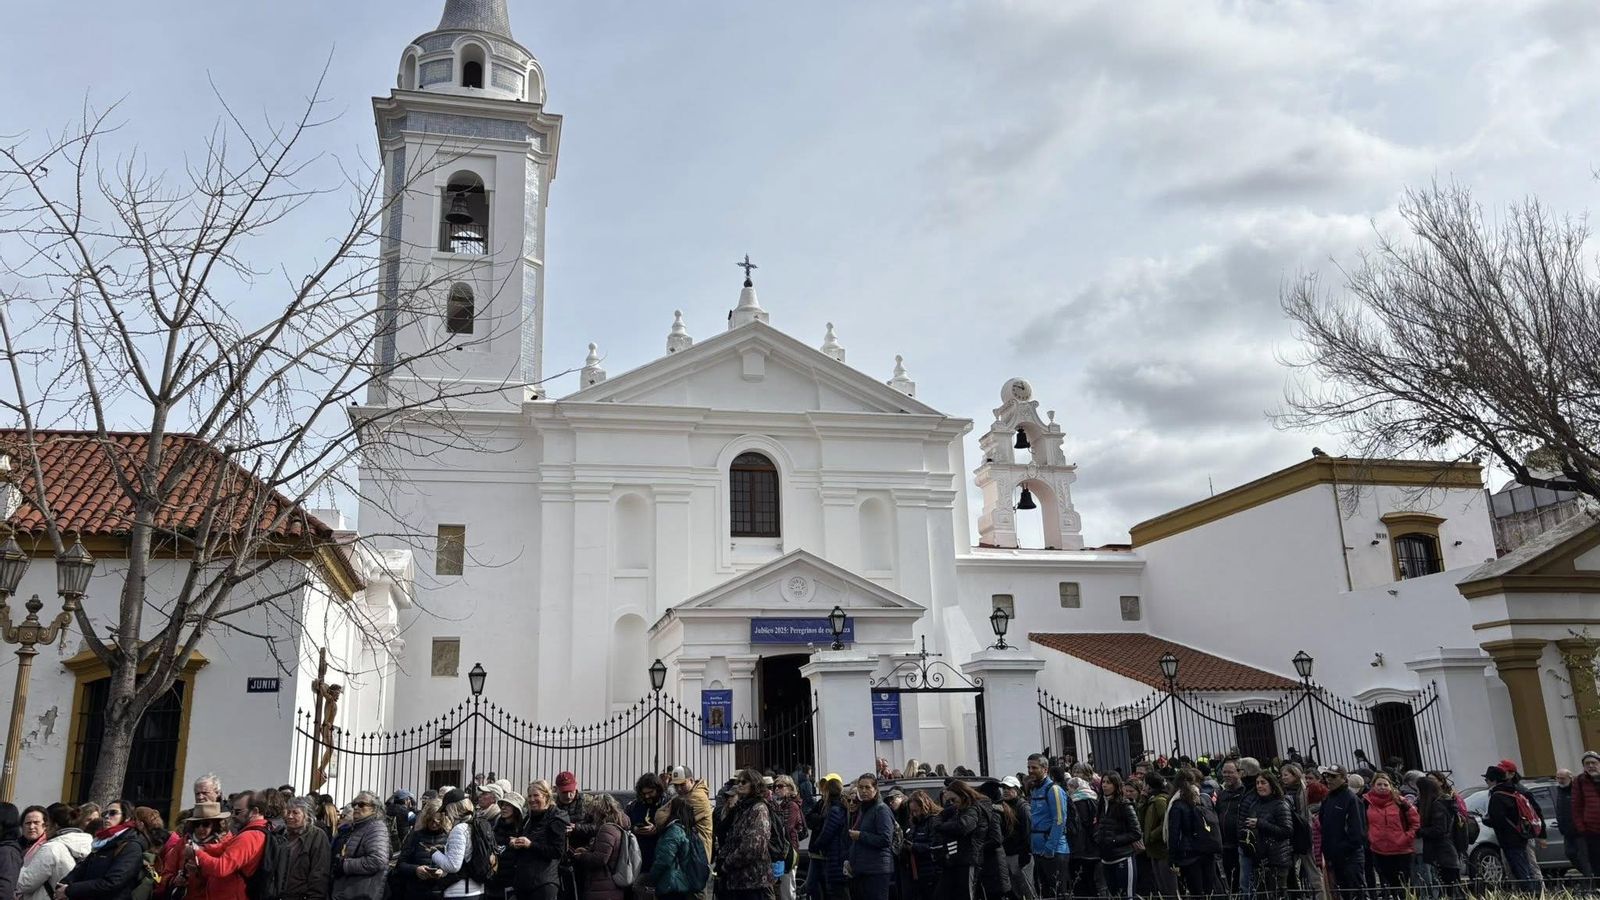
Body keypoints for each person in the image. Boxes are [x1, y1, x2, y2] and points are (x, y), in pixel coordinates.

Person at [57, 799, 148, 900]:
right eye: (105, 814)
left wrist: (70, 890)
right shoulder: (102, 842)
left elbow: (113, 882)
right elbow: (81, 869)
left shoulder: (132, 846)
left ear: (127, 818)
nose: (107, 817)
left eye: (113, 813)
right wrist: (63, 884)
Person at [189, 789, 271, 900]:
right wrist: (204, 848)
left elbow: (221, 868)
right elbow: (225, 846)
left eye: (238, 812)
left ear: (255, 811)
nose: (233, 816)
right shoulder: (253, 832)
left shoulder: (249, 837)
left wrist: (197, 852)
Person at [713, 769, 772, 900]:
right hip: (737, 883)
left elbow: (753, 847)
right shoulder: (741, 808)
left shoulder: (758, 808)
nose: (739, 784)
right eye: (738, 781)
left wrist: (726, 864)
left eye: (744, 782)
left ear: (754, 785)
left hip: (753, 883)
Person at [507, 781, 570, 900]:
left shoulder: (557, 818)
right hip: (523, 883)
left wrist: (530, 845)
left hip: (543, 884)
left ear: (546, 796)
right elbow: (523, 840)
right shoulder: (528, 818)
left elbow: (557, 852)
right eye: (530, 796)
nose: (532, 799)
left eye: (536, 795)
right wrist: (515, 843)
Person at [20, 805, 92, 900]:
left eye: (46, 825)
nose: (45, 829)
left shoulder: (52, 848)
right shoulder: (90, 844)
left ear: (55, 825)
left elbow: (25, 883)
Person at [1483, 765, 1537, 892]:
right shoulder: (1513, 791)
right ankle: (1531, 891)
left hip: (1508, 838)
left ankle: (1529, 893)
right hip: (1520, 834)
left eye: (1487, 780)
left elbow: (1497, 819)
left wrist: (1486, 820)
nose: (1486, 783)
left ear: (1493, 780)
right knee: (1525, 867)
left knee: (1519, 869)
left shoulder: (1497, 795)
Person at [1363, 772, 1416, 898]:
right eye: (1379, 784)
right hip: (1379, 850)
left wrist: (1407, 836)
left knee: (1405, 886)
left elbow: (1415, 820)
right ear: (1373, 786)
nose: (1382, 787)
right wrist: (1370, 837)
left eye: (1385, 784)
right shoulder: (1366, 802)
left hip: (1402, 850)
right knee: (1390, 885)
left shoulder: (1401, 802)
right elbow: (1364, 823)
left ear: (1390, 786)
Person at [1166, 770, 1218, 899]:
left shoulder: (1177, 804)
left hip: (1188, 854)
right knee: (1208, 891)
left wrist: (1173, 859)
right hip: (1207, 850)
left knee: (1195, 892)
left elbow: (1174, 834)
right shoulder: (1203, 799)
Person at [1317, 768, 1366, 899]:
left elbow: (1357, 832)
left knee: (1355, 894)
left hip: (1350, 858)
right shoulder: (1328, 798)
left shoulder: (1351, 799)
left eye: (1333, 777)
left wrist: (1342, 849)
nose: (1329, 779)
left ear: (1344, 778)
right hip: (1334, 858)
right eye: (1327, 776)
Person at [331, 791, 391, 900]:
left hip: (362, 893)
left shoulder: (376, 828)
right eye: (354, 804)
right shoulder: (357, 826)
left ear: (374, 808)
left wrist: (345, 865)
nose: (356, 807)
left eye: (362, 804)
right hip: (347, 890)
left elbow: (377, 860)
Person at [1025, 753, 1069, 898]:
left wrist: (1050, 847)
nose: (1030, 771)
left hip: (1053, 851)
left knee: (1057, 894)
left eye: (1034, 767)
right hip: (1039, 850)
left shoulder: (1053, 789)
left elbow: (1059, 820)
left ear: (1045, 769)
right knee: (1043, 893)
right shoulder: (1035, 789)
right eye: (1029, 767)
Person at [1094, 774, 1142, 900]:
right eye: (1103, 782)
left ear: (1116, 785)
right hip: (1106, 858)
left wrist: (1114, 840)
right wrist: (1098, 837)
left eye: (1108, 782)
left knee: (1127, 896)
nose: (1104, 785)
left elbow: (1136, 832)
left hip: (1123, 857)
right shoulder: (1101, 803)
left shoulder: (1124, 805)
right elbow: (1099, 824)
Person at [933, 780, 984, 900]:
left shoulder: (973, 809)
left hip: (967, 860)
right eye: (949, 801)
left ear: (963, 795)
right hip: (955, 859)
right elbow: (939, 818)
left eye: (953, 800)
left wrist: (940, 826)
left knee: (966, 895)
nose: (951, 803)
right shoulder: (958, 809)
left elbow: (963, 827)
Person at [1247, 773, 1294, 898]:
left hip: (1277, 858)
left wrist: (1261, 823)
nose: (1259, 786)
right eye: (1257, 783)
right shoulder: (1255, 805)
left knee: (1277, 894)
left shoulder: (1280, 805)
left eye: (1263, 783)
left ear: (1272, 785)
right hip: (1259, 858)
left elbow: (1287, 831)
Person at [1414, 774, 1461, 898]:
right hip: (1443, 852)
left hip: (1443, 853)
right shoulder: (1439, 803)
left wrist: (1420, 831)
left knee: (1449, 889)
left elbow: (1439, 830)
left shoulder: (1437, 805)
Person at [393, 801, 452, 900]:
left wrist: (443, 872)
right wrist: (416, 869)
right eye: (431, 821)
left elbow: (457, 866)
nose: (434, 825)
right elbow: (400, 864)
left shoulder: (450, 837)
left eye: (438, 822)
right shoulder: (415, 836)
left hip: (441, 891)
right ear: (426, 818)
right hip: (416, 891)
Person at [574, 794, 628, 900]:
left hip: (602, 886)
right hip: (612, 886)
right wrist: (588, 851)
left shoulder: (607, 829)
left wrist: (582, 856)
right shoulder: (618, 827)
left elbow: (600, 859)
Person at [647, 797, 702, 900]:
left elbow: (664, 859)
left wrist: (652, 878)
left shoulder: (673, 831)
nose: (664, 809)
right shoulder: (686, 829)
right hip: (681, 884)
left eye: (668, 807)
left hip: (671, 885)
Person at [808, 776, 850, 900]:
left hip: (834, 855)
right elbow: (808, 818)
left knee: (835, 891)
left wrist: (818, 844)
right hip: (833, 854)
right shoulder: (832, 806)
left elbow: (827, 833)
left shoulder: (835, 809)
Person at [281, 797, 331, 900]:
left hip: (301, 896)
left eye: (295, 813)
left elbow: (320, 872)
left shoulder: (317, 836)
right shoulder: (280, 834)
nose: (290, 816)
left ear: (307, 816)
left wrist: (315, 897)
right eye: (288, 812)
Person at [1139, 772, 1178, 899]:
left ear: (1150, 786)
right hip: (1153, 851)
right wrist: (1143, 801)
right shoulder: (1150, 800)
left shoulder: (1160, 801)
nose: (1142, 786)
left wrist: (1151, 836)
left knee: (1168, 887)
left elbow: (1166, 823)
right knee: (1161, 887)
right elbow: (1141, 820)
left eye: (1144, 783)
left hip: (1161, 850)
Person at [1215, 760, 1248, 897]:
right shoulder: (1221, 794)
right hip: (1225, 845)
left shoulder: (1245, 792)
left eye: (1230, 772)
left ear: (1239, 773)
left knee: (1243, 880)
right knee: (1230, 880)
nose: (1227, 775)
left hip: (1240, 844)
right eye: (1224, 772)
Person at [999, 776, 1035, 900]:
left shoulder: (1023, 807)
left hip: (1020, 855)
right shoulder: (1003, 806)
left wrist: (1025, 853)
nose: (1005, 790)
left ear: (1017, 789)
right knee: (1015, 892)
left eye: (1009, 788)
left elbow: (1028, 831)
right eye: (1003, 787)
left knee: (1028, 890)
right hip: (1007, 854)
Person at [627, 774, 666, 885]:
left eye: (650, 793)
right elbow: (625, 824)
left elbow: (674, 826)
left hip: (659, 856)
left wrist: (657, 829)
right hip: (639, 856)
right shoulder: (635, 805)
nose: (647, 796)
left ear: (658, 790)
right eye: (644, 794)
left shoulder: (666, 804)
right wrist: (634, 829)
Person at [903, 791, 942, 898]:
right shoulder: (915, 822)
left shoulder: (933, 821)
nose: (914, 814)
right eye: (912, 811)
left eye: (916, 811)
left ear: (924, 806)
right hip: (917, 871)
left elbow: (936, 846)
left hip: (932, 871)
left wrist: (914, 847)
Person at [1570, 750, 1600, 889]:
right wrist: (1582, 828)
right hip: (1592, 831)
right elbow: (1576, 807)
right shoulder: (1580, 781)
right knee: (1596, 863)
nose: (1591, 766)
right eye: (1587, 763)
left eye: (1593, 763)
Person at [1066, 776, 1099, 900]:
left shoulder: (1076, 801)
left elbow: (1079, 824)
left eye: (1069, 788)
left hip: (1081, 848)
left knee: (1081, 882)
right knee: (1092, 880)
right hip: (1094, 848)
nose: (1068, 791)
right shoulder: (1095, 798)